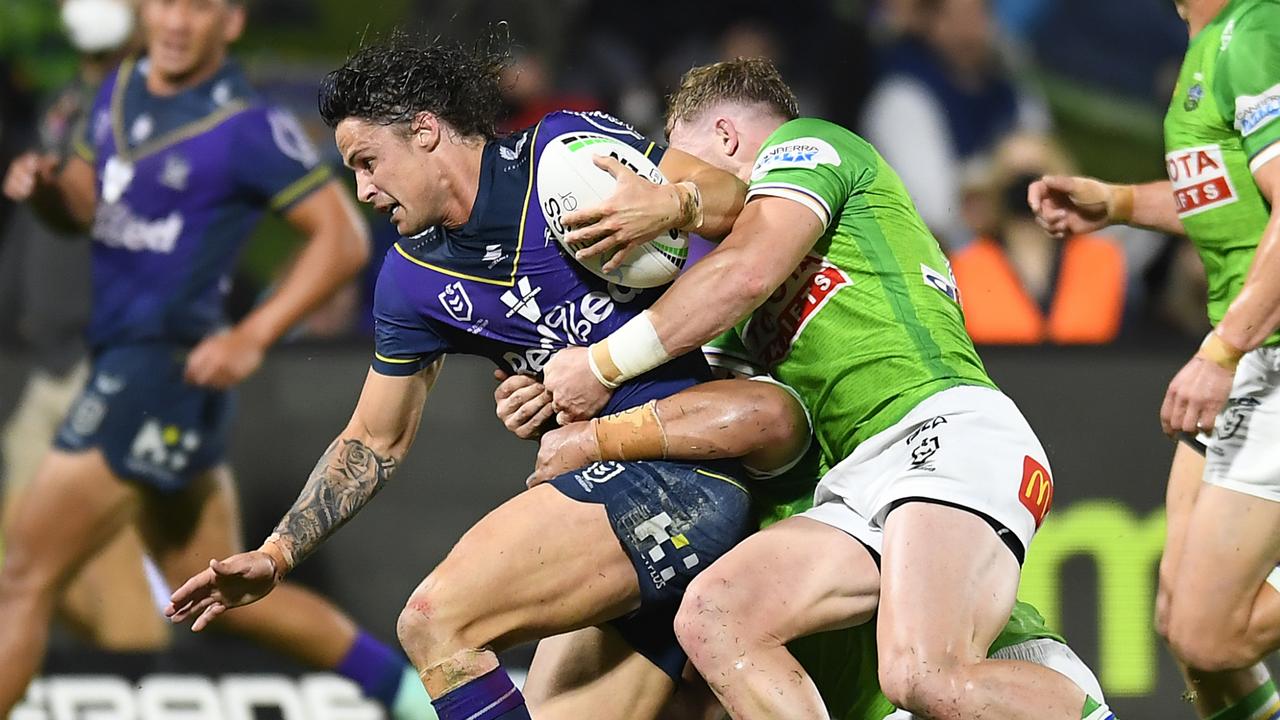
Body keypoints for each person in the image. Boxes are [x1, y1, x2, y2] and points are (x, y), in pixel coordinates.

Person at [165, 32, 754, 720]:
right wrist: (277, 553)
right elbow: (374, 441)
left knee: (434, 622)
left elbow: (738, 199)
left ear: (424, 131)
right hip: (613, 501)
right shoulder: (410, 281)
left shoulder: (561, 154)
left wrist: (672, 204)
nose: (362, 189)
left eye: (367, 162)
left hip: (683, 463)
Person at [541, 57, 1115, 720]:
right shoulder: (734, 316)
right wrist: (542, 379)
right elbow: (713, 406)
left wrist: (602, 364)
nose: (674, 186)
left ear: (726, 139)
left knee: (921, 674)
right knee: (715, 615)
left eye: (679, 160)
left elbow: (747, 271)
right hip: (856, 485)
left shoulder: (811, 144)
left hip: (941, 430)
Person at [0, 1, 434, 717]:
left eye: (198, 8)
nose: (176, 21)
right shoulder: (120, 88)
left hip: (156, 374)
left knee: (24, 575)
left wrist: (252, 335)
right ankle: (410, 697)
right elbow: (84, 199)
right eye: (165, 3)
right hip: (146, 376)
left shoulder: (244, 127)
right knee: (221, 591)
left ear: (230, 23)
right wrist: (48, 191)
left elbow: (340, 239)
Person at [495, 330, 1109, 719]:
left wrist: (590, 431)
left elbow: (757, 415)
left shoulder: (766, 424)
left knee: (923, 671)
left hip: (994, 687)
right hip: (894, 703)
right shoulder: (668, 530)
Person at [1028, 0, 1280, 716]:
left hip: (1263, 349)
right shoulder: (1211, 47)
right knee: (1178, 616)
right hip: (1252, 352)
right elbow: (1229, 194)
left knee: (1210, 633)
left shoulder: (1256, 32)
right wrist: (1117, 203)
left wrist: (1221, 350)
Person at [0, 0, 171, 653]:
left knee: (105, 539)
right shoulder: (64, 102)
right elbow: (31, 217)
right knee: (23, 548)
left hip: (107, 355)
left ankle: (140, 678)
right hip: (53, 363)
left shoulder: (152, 107)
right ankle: (114, 668)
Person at [950, 133, 1127, 345]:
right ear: (996, 187)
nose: (1025, 187)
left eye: (1036, 176)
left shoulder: (1101, 258)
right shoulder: (965, 266)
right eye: (1014, 176)